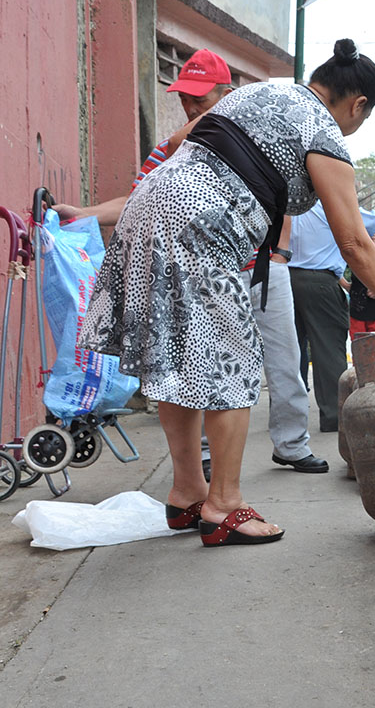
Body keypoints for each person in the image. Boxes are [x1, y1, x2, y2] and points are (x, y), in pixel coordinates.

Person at [77, 38, 375, 546]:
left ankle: (187, 493)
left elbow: (176, 143)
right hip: (200, 224)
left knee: (180, 360)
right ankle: (224, 505)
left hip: (150, 204)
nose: (355, 128)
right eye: (362, 120)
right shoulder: (323, 133)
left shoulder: (256, 94)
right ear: (358, 105)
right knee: (231, 364)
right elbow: (353, 240)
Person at [61, 49, 335, 478]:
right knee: (204, 368)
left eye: (200, 99)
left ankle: (289, 446)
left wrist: (278, 254)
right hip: (205, 271)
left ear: (227, 95)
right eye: (185, 99)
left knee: (283, 364)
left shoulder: (259, 128)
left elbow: (287, 200)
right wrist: (82, 214)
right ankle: (208, 477)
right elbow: (137, 199)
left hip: (262, 267)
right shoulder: (173, 150)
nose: (190, 108)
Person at [288, 182, 375, 432]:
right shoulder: (330, 204)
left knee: (290, 353)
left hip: (286, 279)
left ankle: (289, 424)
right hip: (320, 284)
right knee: (327, 350)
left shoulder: (290, 206)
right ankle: (335, 417)